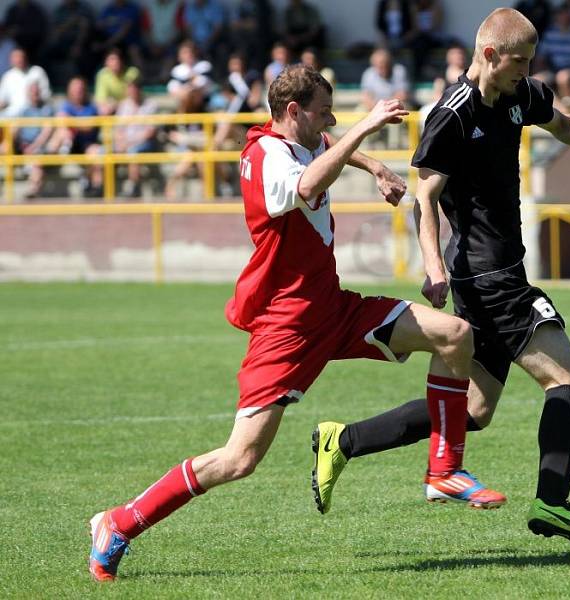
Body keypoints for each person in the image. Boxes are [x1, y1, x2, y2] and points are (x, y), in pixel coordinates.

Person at [87, 64, 505, 581]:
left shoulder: (295, 138)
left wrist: (374, 166)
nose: (330, 120)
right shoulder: (266, 157)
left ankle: (444, 469)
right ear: (293, 111)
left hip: (333, 308)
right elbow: (308, 179)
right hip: (286, 327)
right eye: (323, 111)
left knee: (454, 334)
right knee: (240, 460)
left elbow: (326, 146)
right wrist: (367, 127)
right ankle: (119, 521)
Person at [312, 7, 570, 557]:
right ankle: (553, 502)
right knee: (567, 382)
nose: (528, 72)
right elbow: (426, 200)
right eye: (520, 61)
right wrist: (433, 267)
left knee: (475, 412)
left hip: (497, 273)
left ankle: (342, 439)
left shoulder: (517, 95)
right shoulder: (451, 117)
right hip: (488, 279)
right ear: (490, 55)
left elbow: (561, 122)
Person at [48, 76, 104, 197]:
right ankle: (52, 155)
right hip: (70, 142)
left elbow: (88, 126)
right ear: (70, 91)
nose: (78, 92)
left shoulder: (91, 107)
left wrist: (72, 121)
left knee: (96, 153)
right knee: (63, 131)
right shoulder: (66, 105)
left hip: (86, 145)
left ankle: (96, 187)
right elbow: (61, 118)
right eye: (75, 89)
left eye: (80, 89)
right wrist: (75, 123)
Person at [533, 3, 570, 101]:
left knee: (563, 77)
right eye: (560, 14)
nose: (563, 17)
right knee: (536, 79)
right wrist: (538, 70)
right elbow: (540, 57)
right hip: (554, 69)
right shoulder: (550, 33)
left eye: (566, 14)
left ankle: (567, 112)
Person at [114, 79, 158, 197]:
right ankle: (101, 186)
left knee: (133, 152)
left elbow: (150, 132)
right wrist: (121, 142)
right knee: (103, 152)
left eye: (134, 89)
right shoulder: (123, 105)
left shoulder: (150, 105)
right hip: (125, 142)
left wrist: (129, 143)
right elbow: (118, 130)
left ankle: (134, 187)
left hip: (143, 143)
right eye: (130, 89)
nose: (132, 92)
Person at [15, 82, 54, 199]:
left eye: (36, 91)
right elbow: (15, 130)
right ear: (28, 94)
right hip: (24, 147)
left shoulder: (47, 109)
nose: (35, 94)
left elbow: (47, 132)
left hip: (41, 148)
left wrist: (32, 147)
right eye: (32, 91)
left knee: (37, 161)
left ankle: (33, 190)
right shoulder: (23, 111)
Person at [0, 47, 50, 117]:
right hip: (13, 115)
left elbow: (46, 95)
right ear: (10, 60)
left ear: (26, 57)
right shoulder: (7, 76)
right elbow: (2, 100)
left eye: (20, 57)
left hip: (36, 112)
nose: (18, 60)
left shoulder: (37, 71)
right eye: (15, 57)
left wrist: (35, 99)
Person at [94, 48, 140, 115]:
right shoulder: (102, 75)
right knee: (103, 110)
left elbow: (132, 98)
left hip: (131, 108)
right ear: (106, 62)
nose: (115, 63)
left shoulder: (133, 72)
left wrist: (115, 105)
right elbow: (100, 100)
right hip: (113, 109)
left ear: (122, 61)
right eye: (112, 60)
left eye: (117, 59)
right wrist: (108, 106)